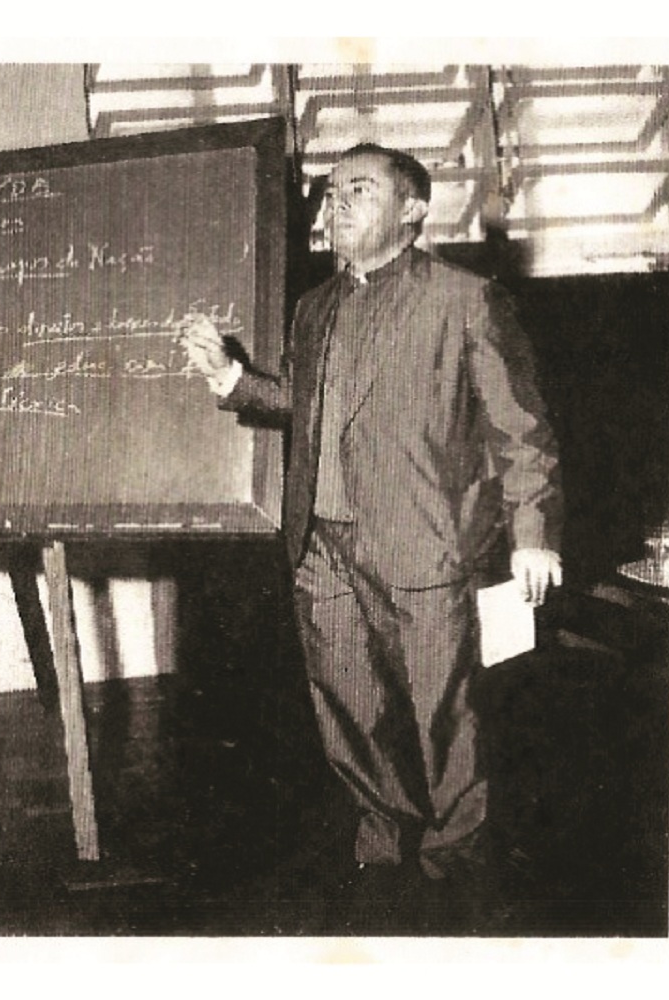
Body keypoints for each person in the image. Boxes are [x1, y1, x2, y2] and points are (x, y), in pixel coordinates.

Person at [180, 143, 562, 910]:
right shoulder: (313, 308)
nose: (336, 205)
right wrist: (230, 379)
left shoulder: (465, 300)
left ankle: (458, 855)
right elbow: (307, 405)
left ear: (414, 210)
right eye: (330, 192)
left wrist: (533, 534)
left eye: (360, 189)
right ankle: (383, 830)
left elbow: (520, 429)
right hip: (320, 544)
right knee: (347, 704)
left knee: (440, 710)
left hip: (423, 540)